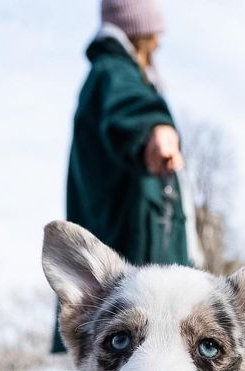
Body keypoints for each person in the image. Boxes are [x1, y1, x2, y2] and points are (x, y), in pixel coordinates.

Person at [51, 0, 196, 353]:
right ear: (138, 31)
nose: (159, 43)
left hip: (132, 260)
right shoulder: (113, 71)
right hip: (129, 263)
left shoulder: (113, 72)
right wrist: (153, 130)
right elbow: (127, 108)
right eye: (155, 34)